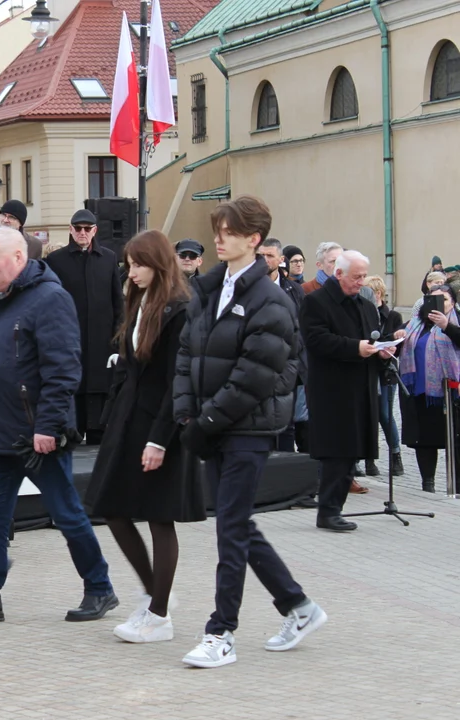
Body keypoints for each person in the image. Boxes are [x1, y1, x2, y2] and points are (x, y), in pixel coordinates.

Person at [175, 195, 325, 669]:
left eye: (229, 231)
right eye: (218, 229)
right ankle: (299, 607)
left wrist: (208, 421)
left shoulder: (271, 301)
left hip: (248, 430)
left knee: (231, 529)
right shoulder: (209, 288)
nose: (219, 237)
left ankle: (221, 632)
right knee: (236, 523)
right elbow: (186, 355)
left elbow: (255, 375)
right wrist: (186, 416)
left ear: (254, 239)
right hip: (212, 425)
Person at [0, 227, 117, 625]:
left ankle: (99, 588)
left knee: (66, 513)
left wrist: (49, 425)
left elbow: (63, 368)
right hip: (0, 429)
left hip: (38, 433)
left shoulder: (50, 299)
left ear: (19, 258)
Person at [86, 230, 201, 643]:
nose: (131, 272)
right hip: (128, 420)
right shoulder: (140, 302)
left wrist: (160, 439)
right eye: (129, 265)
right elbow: (128, 367)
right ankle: (155, 594)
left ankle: (159, 614)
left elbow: (177, 382)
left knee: (158, 516)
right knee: (110, 507)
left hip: (160, 425)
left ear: (159, 264)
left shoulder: (181, 309)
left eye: (139, 264)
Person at [301, 250, 391, 531]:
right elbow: (316, 340)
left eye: (364, 276)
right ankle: (328, 511)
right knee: (336, 452)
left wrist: (383, 350)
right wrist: (356, 348)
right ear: (338, 274)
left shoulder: (364, 305)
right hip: (333, 391)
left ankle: (335, 509)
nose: (361, 282)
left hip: (362, 388)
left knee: (352, 451)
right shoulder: (315, 302)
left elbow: (373, 337)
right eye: (356, 277)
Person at [46, 209, 123, 442]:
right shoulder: (56, 260)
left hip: (102, 341)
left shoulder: (108, 258)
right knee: (74, 390)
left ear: (94, 231)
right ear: (70, 230)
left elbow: (118, 301)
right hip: (70, 340)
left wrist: (118, 337)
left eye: (86, 229)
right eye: (77, 228)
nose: (82, 233)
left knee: (100, 393)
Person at [399, 284, 460, 493]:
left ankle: (456, 488)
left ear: (452, 302)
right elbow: (397, 343)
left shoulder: (455, 321)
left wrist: (446, 326)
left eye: (443, 299)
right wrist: (396, 337)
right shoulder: (416, 323)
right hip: (421, 392)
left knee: (454, 440)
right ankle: (428, 485)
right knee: (424, 440)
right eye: (432, 299)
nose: (438, 304)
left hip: (450, 394)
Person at [259, 238, 306, 453]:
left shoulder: (294, 291)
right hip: (257, 367)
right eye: (261, 255)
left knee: (287, 426)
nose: (265, 260)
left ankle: (285, 481)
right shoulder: (246, 287)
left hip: (288, 368)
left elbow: (303, 329)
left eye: (270, 256)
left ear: (280, 259)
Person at [366, 275, 405, 477]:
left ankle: (396, 455)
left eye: (368, 292)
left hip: (386, 371)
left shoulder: (393, 316)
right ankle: (368, 460)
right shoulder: (363, 313)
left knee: (385, 414)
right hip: (367, 369)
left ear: (378, 294)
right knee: (367, 415)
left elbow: (398, 343)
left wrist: (391, 346)